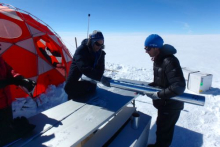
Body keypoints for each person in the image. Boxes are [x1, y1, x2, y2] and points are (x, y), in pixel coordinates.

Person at [143, 34, 186, 147]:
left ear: (156, 47)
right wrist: (147, 87)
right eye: (145, 48)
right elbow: (162, 82)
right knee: (162, 127)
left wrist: (158, 94)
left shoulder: (169, 61)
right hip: (165, 103)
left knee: (164, 132)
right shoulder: (159, 60)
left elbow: (178, 86)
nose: (146, 51)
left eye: (148, 48)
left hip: (171, 105)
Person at [64, 30, 110, 102]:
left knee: (88, 86)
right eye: (97, 44)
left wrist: (100, 76)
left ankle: (90, 86)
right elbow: (83, 67)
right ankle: (74, 99)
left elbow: (101, 68)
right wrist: (99, 77)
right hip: (78, 69)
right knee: (68, 88)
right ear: (91, 42)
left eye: (101, 45)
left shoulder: (100, 52)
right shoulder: (81, 50)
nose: (99, 47)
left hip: (90, 71)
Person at [0, 56, 36, 146]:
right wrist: (11, 81)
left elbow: (8, 70)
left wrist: (20, 79)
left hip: (6, 103)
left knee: (11, 138)